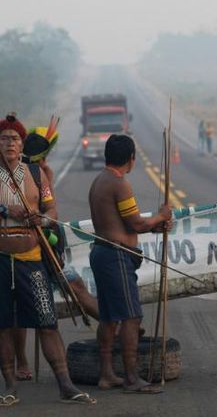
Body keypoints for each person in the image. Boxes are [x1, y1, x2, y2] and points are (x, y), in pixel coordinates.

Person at [0, 114, 95, 407]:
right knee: (3, 325)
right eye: (4, 138)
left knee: (47, 323)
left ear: (22, 144)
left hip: (32, 260)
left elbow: (52, 211)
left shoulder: (37, 175)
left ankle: (65, 385)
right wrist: (1, 212)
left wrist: (42, 219)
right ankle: (10, 385)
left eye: (15, 138)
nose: (10, 142)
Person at [11, 124, 101, 381]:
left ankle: (112, 326)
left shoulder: (42, 173)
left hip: (49, 248)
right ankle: (22, 362)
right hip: (25, 251)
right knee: (20, 307)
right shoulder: (17, 175)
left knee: (74, 285)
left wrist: (45, 220)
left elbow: (51, 212)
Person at [88, 134, 172, 393]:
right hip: (115, 256)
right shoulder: (118, 183)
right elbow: (136, 223)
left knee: (110, 317)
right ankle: (133, 378)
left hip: (104, 252)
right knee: (131, 316)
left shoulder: (100, 180)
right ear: (131, 159)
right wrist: (161, 215)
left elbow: (123, 223)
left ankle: (107, 374)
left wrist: (156, 226)